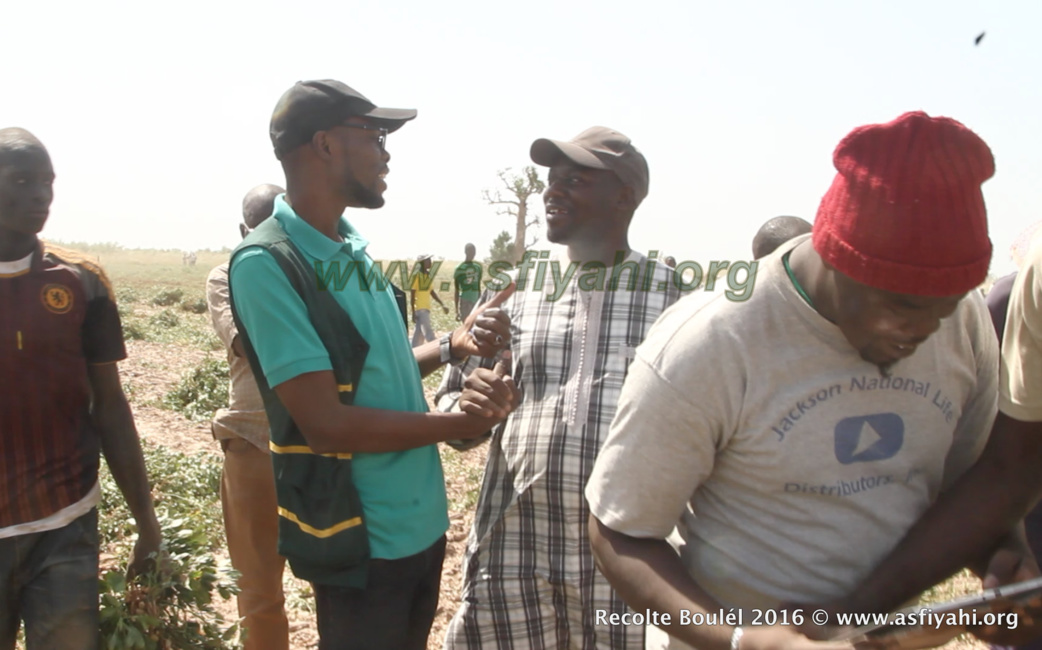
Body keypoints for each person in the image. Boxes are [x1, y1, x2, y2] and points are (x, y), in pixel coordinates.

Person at [586, 112, 1003, 650]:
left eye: (941, 309)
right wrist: (744, 639)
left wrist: (1002, 558)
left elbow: (970, 484)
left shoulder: (963, 321)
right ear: (836, 262)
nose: (923, 332)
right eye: (902, 308)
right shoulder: (714, 340)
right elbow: (619, 531)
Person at [227, 79, 516, 650]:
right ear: (325, 144)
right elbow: (327, 423)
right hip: (363, 541)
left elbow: (379, 372)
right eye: (376, 135)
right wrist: (457, 425)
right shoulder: (267, 263)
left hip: (420, 526)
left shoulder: (351, 247)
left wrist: (452, 347)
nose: (387, 153)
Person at [437, 126, 682, 649]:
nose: (553, 191)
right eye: (551, 180)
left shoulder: (676, 301)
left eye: (575, 180)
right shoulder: (511, 291)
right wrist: (472, 409)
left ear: (625, 196)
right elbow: (453, 416)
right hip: (515, 549)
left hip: (630, 560)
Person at [0, 127, 161, 648]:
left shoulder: (80, 280)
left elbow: (110, 406)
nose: (40, 195)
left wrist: (147, 521)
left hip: (65, 521)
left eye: (46, 181)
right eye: (21, 180)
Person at [206, 182, 287, 650]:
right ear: (245, 232)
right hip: (254, 442)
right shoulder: (225, 277)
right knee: (258, 592)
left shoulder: (317, 272)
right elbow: (243, 342)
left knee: (333, 580)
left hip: (318, 444)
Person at [411, 253, 449, 346]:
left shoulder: (427, 276)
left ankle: (413, 353)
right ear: (422, 263)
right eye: (428, 260)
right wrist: (412, 311)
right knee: (429, 334)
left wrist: (442, 304)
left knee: (418, 336)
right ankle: (436, 351)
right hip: (421, 308)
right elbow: (412, 294)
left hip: (425, 308)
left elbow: (431, 292)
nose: (430, 262)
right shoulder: (417, 276)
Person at [453, 243, 482, 321]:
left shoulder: (478, 267)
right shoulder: (459, 268)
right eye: (470, 251)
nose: (472, 254)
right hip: (465, 300)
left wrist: (481, 302)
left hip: (475, 300)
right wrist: (456, 310)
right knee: (466, 323)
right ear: (465, 252)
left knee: (475, 324)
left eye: (474, 252)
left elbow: (478, 286)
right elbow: (456, 289)